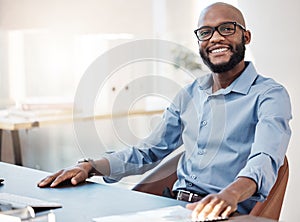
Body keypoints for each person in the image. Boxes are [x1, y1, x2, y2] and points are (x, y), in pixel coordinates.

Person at [38, 2, 292, 221]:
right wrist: (90, 167)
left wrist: (230, 194)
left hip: (225, 213)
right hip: (172, 208)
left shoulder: (270, 95)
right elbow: (148, 151)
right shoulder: (189, 94)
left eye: (227, 28)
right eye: (205, 32)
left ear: (246, 37)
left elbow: (265, 158)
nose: (215, 38)